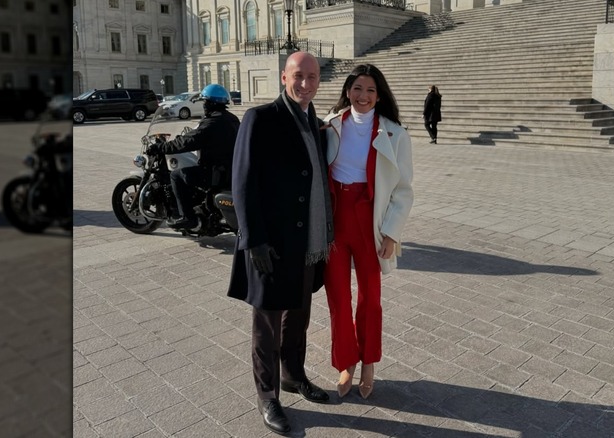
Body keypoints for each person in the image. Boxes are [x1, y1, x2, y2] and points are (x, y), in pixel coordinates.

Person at [227, 51, 333, 436]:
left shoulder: (315, 123)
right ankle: (267, 395)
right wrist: (253, 239)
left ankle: (293, 375)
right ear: (284, 79)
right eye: (298, 76)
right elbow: (243, 182)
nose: (306, 84)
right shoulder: (261, 118)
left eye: (313, 76)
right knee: (267, 324)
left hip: (306, 242)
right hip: (270, 244)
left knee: (298, 317)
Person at [322, 64, 414, 399]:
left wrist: (391, 233)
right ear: (348, 90)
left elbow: (403, 189)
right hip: (335, 218)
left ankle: (369, 361)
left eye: (371, 91)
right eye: (358, 88)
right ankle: (345, 360)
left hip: (369, 217)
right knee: (337, 298)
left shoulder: (395, 133)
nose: (363, 96)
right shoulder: (330, 124)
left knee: (370, 299)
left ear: (380, 96)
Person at [146, 83, 240, 230]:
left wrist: (161, 147)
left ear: (210, 103)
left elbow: (187, 142)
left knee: (176, 176)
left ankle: (187, 217)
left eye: (204, 102)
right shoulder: (232, 119)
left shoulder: (211, 122)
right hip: (230, 171)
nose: (203, 105)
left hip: (214, 173)